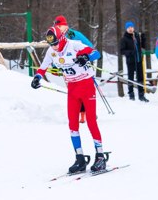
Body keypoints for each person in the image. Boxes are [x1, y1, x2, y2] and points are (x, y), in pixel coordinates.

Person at [31, 26, 107, 173]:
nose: (54, 47)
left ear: (62, 39)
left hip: (86, 86)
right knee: (72, 124)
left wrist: (86, 57)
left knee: (91, 121)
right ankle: (79, 158)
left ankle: (100, 156)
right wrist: (37, 77)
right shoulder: (52, 51)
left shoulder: (74, 45)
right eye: (51, 44)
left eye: (56, 43)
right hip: (72, 89)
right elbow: (43, 67)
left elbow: (96, 53)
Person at [54, 15, 94, 123]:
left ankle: (86, 113)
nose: (58, 29)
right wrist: (55, 67)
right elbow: (56, 54)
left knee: (84, 91)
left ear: (65, 26)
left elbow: (90, 47)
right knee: (74, 92)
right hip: (68, 68)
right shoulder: (57, 37)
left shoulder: (73, 34)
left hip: (81, 66)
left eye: (60, 26)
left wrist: (85, 57)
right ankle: (78, 113)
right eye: (57, 27)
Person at [120, 21, 149, 102]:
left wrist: (143, 38)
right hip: (131, 61)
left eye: (131, 27)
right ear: (126, 29)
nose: (130, 29)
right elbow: (122, 51)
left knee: (140, 77)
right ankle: (131, 94)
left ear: (133, 28)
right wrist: (129, 53)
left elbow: (143, 46)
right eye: (128, 28)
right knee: (131, 77)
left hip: (139, 59)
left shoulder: (137, 36)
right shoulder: (124, 38)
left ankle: (141, 95)